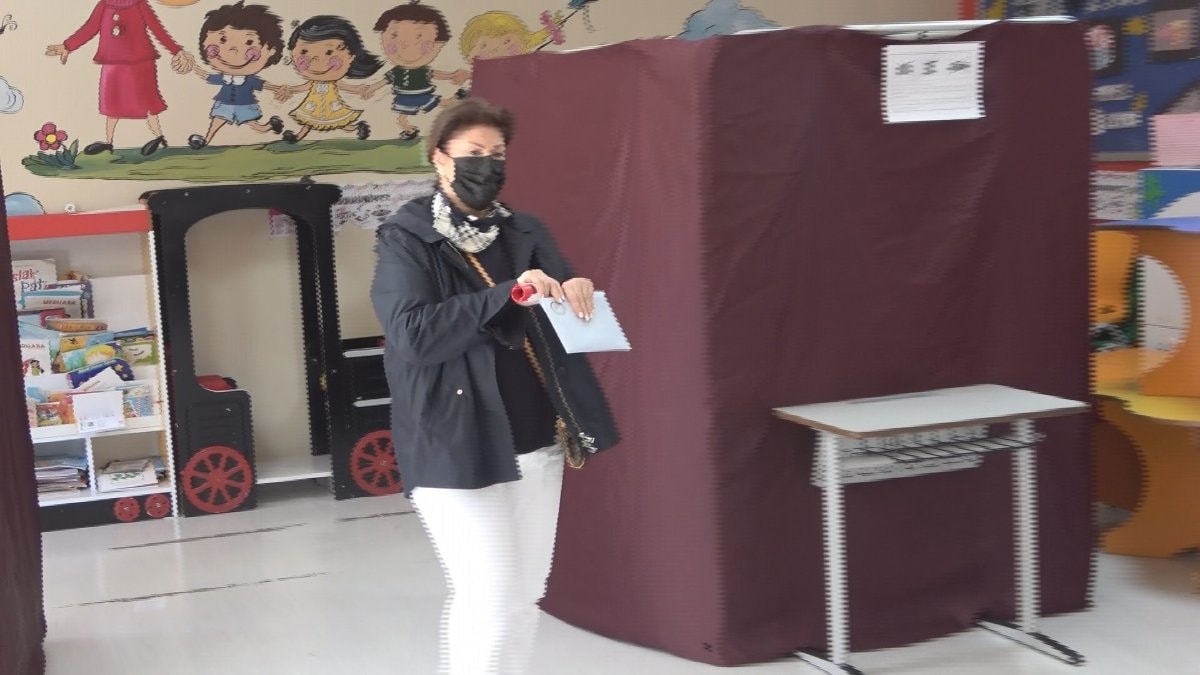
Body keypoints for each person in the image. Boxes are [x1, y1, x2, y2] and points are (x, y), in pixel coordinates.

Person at [370, 98, 619, 675]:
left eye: (498, 153)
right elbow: (414, 335)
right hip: (455, 441)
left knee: (524, 596)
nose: (488, 164)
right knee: (487, 594)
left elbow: (559, 302)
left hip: (537, 439)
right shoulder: (407, 236)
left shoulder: (525, 230)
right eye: (474, 153)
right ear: (440, 158)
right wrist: (509, 293)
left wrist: (575, 290)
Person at [46, 0, 195, 156]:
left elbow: (157, 29)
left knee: (147, 101)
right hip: (112, 62)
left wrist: (177, 50)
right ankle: (109, 142)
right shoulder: (104, 5)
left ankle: (159, 137)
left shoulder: (139, 4)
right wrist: (68, 46)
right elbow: (89, 28)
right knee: (112, 103)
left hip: (139, 62)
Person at [185, 1, 288, 149]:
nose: (233, 51)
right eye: (222, 40)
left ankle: (271, 126)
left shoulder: (249, 80)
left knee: (256, 126)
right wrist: (194, 67)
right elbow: (207, 76)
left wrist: (277, 88)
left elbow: (263, 84)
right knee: (216, 122)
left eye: (249, 42)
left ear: (271, 50)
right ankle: (205, 140)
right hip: (224, 104)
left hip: (245, 105)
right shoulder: (224, 78)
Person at [361, 2, 469, 141]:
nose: (406, 46)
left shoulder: (422, 70)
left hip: (422, 94)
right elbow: (385, 81)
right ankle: (410, 131)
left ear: (439, 43)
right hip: (404, 98)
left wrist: (451, 75)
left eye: (419, 36)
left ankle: (459, 98)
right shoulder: (396, 71)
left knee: (444, 103)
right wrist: (372, 88)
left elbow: (435, 74)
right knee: (401, 120)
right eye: (394, 35)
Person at [277, 16, 382, 143]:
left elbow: (344, 86)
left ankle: (357, 128)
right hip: (314, 105)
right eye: (304, 51)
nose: (315, 61)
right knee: (309, 121)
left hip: (331, 104)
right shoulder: (314, 82)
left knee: (339, 121)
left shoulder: (333, 82)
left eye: (329, 52)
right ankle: (297, 137)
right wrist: (291, 89)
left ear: (351, 57)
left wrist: (358, 89)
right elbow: (304, 87)